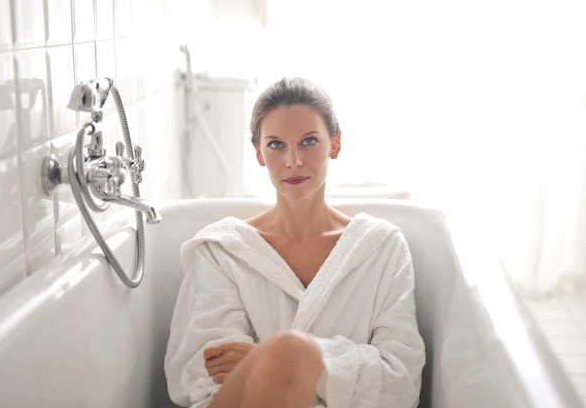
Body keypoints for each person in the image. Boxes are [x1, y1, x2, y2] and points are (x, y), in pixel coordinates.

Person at [164, 77, 425, 408]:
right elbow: (203, 375)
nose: (293, 161)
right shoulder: (224, 250)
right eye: (276, 145)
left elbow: (400, 382)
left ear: (336, 143)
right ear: (258, 152)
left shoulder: (381, 248)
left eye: (309, 141)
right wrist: (296, 365)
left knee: (292, 351)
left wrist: (290, 360)